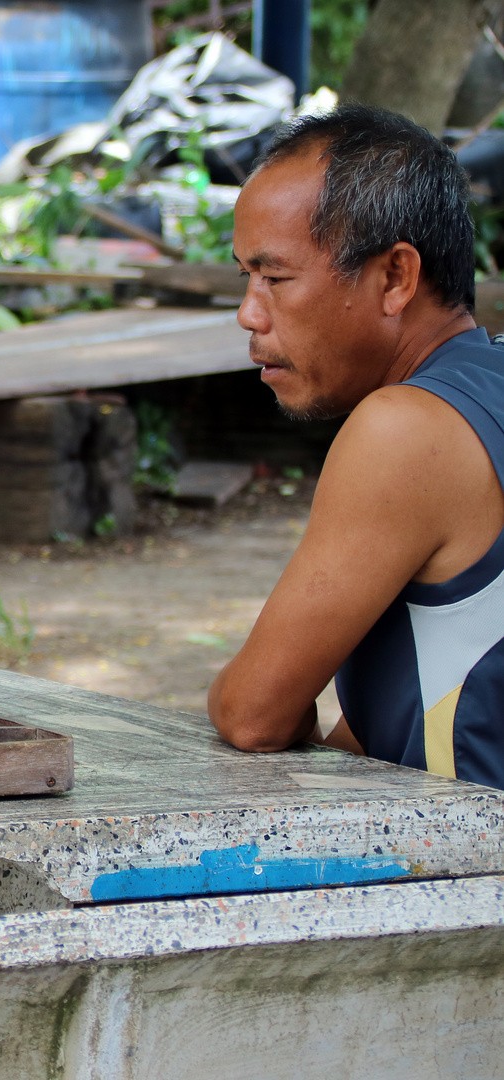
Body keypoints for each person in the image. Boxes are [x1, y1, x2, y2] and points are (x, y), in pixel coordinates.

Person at [209, 103, 504, 790]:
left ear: (397, 277)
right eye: (244, 277)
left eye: (275, 278)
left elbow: (255, 715)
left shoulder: (407, 427)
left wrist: (236, 694)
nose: (249, 313)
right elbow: (403, 718)